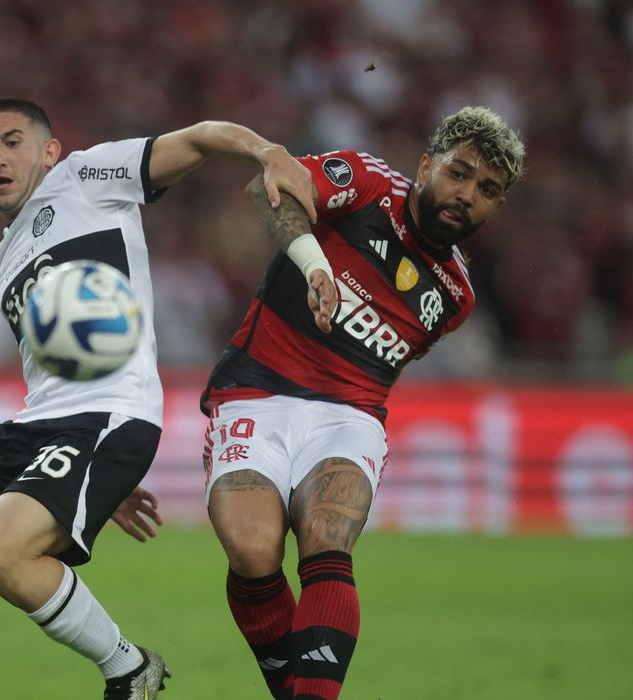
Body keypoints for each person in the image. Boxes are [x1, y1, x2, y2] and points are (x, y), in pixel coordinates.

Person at [0, 97, 316, 700]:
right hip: (42, 425)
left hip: (110, 413)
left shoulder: (86, 177)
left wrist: (265, 151)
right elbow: (52, 366)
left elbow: (197, 137)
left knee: (0, 553)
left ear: (49, 151)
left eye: (12, 141)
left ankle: (128, 667)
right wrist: (91, 481)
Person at [201, 106, 525, 700]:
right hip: (256, 389)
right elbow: (266, 189)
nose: (466, 195)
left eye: (486, 190)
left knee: (327, 538)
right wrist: (315, 265)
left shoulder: (456, 297)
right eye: (458, 173)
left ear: (497, 206)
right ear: (426, 166)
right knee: (251, 550)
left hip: (348, 416)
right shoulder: (368, 182)